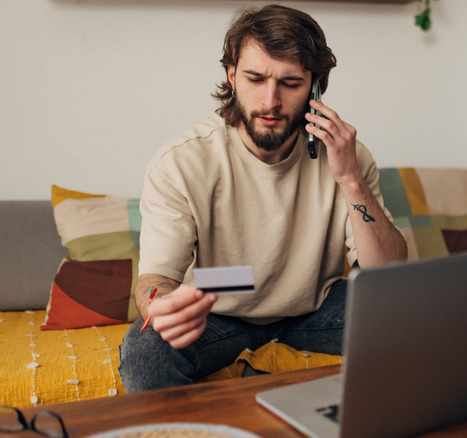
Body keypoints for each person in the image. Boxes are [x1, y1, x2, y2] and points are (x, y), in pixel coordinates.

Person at [118, 5, 407, 392]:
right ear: (232, 76)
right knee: (144, 348)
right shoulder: (182, 162)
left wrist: (351, 180)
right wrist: (160, 306)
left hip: (313, 306)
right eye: (255, 79)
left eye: (290, 83)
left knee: (415, 313)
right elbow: (156, 280)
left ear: (315, 87)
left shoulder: (346, 158)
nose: (270, 101)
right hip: (218, 311)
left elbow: (387, 275)